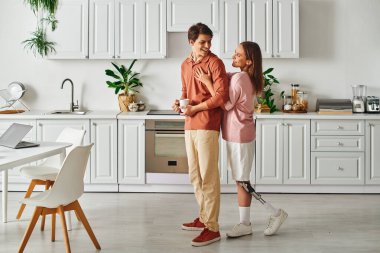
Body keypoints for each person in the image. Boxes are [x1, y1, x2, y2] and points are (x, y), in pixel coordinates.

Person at [194, 41, 288, 238]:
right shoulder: (238, 76)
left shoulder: (241, 79)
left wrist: (208, 83)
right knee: (240, 180)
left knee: (242, 182)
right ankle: (245, 223)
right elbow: (224, 79)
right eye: (235, 54)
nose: (234, 57)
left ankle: (275, 213)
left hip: (240, 136)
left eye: (238, 55)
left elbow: (226, 104)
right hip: (235, 135)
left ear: (249, 61)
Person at [172, 23, 229, 247]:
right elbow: (186, 93)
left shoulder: (215, 63)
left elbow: (221, 97)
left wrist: (196, 109)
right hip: (190, 124)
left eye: (209, 41)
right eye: (202, 42)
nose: (207, 46)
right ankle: (204, 217)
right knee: (195, 175)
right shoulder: (185, 65)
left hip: (207, 124)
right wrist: (179, 104)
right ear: (191, 43)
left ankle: (212, 227)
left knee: (209, 176)